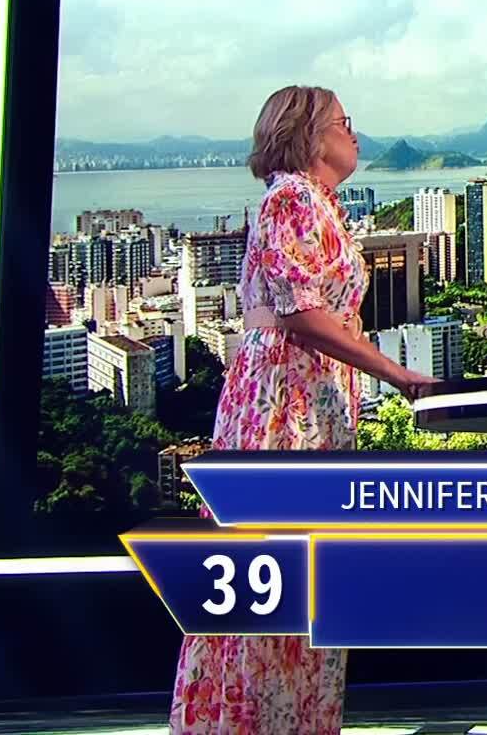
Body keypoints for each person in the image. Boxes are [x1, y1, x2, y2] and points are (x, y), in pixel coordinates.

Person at [171, 85, 439, 734]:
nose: (355, 132)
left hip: (311, 402)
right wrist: (395, 373)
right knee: (275, 571)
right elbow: (300, 313)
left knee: (304, 581)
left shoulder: (319, 204)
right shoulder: (290, 197)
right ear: (310, 134)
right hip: (282, 407)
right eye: (345, 122)